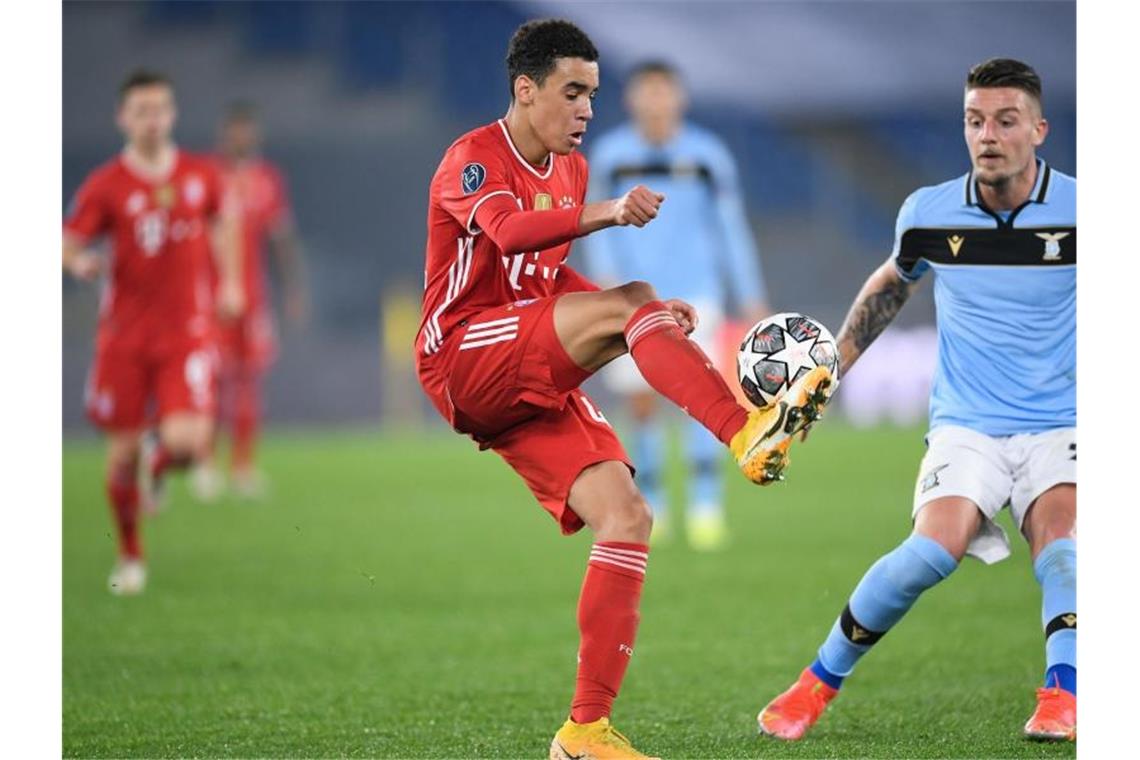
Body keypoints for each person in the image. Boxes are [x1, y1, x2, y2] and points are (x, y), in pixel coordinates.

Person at [414, 19, 834, 759]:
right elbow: (510, 236)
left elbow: (547, 279)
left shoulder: (572, 170)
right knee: (631, 295)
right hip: (461, 356)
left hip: (520, 367)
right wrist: (616, 246)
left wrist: (632, 316)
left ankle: (584, 732)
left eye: (592, 95)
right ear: (526, 89)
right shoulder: (472, 159)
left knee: (627, 516)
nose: (586, 109)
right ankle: (744, 431)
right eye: (572, 93)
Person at [756, 58, 1076, 742]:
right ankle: (815, 684)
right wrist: (827, 375)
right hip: (967, 425)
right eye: (974, 120)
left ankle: (1062, 694)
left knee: (1064, 548)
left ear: (1038, 130)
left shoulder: (1085, 211)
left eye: (1005, 120)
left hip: (1064, 422)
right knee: (931, 550)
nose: (987, 134)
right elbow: (891, 285)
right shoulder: (929, 213)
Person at [63, 70, 243, 595]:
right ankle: (130, 556)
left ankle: (158, 461)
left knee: (189, 443)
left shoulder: (199, 174)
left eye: (159, 109)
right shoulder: (106, 185)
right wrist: (79, 265)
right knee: (118, 454)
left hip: (186, 331)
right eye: (140, 111)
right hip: (123, 338)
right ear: (123, 118)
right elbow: (68, 240)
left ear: (173, 114)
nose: (151, 120)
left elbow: (223, 222)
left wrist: (230, 282)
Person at [584, 60, 770, 550]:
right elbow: (597, 224)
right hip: (632, 300)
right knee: (642, 406)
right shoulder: (610, 156)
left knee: (700, 402)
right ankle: (657, 508)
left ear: (679, 98)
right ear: (632, 99)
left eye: (664, 92)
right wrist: (604, 281)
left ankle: (706, 507)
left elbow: (731, 228)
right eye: (647, 93)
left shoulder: (708, 156)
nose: (656, 102)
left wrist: (749, 293)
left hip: (697, 295)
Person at [194, 101, 308, 501]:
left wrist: (292, 288)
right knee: (209, 380)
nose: (241, 138)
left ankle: (243, 467)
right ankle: (206, 464)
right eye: (235, 131)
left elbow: (281, 240)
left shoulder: (267, 179)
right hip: (210, 295)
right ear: (225, 135)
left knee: (248, 381)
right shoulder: (206, 176)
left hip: (254, 297)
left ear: (254, 135)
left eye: (247, 131)